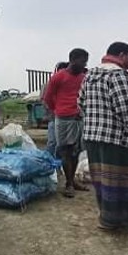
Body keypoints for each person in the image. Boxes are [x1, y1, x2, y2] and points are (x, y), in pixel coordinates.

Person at [80, 42, 128, 231]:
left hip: (92, 137)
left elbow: (80, 102)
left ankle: (106, 217)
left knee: (102, 179)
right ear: (122, 55)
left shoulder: (90, 74)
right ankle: (120, 220)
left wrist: (93, 122)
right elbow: (126, 110)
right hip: (116, 139)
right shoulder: (119, 75)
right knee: (121, 180)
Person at [42, 49, 89, 197]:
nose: (84, 64)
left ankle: (72, 180)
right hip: (63, 118)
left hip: (79, 118)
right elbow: (48, 98)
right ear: (72, 59)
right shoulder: (58, 77)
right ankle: (68, 183)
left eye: (86, 62)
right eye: (82, 61)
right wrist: (59, 110)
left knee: (76, 151)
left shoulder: (84, 78)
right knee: (65, 150)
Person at [42, 61, 70, 158]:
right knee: (52, 142)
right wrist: (54, 109)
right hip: (53, 118)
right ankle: (48, 161)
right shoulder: (49, 84)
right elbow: (44, 100)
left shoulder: (69, 83)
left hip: (67, 118)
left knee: (63, 143)